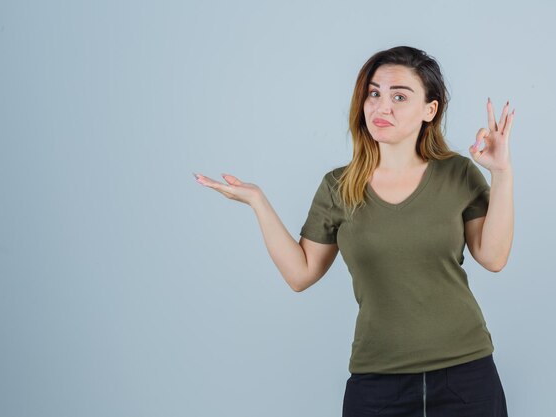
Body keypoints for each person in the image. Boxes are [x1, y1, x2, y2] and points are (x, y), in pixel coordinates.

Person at [194, 45, 515, 417]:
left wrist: (502, 173)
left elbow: (492, 257)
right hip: (378, 381)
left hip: (466, 376)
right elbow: (300, 274)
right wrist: (258, 203)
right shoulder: (338, 186)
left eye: (399, 96)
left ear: (431, 109)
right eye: (374, 93)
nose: (382, 107)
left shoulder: (458, 174)